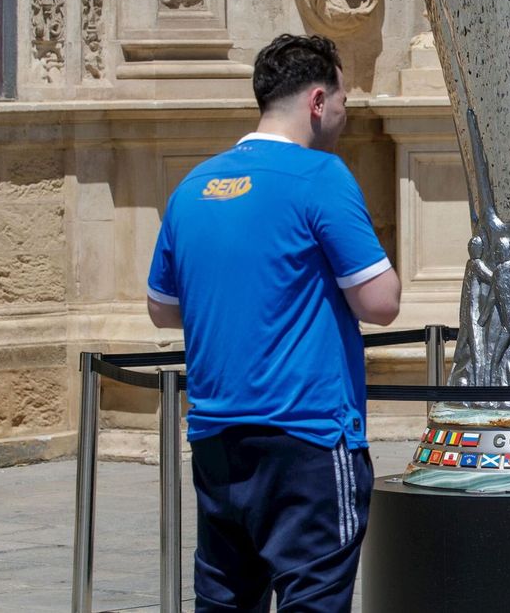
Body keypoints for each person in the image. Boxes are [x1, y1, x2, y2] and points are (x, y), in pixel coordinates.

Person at [146, 35, 401, 612]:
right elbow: (381, 302)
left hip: (217, 438)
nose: (344, 113)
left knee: (225, 601)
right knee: (314, 598)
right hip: (308, 437)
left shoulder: (194, 185)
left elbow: (161, 308)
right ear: (317, 101)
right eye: (343, 100)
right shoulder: (321, 176)